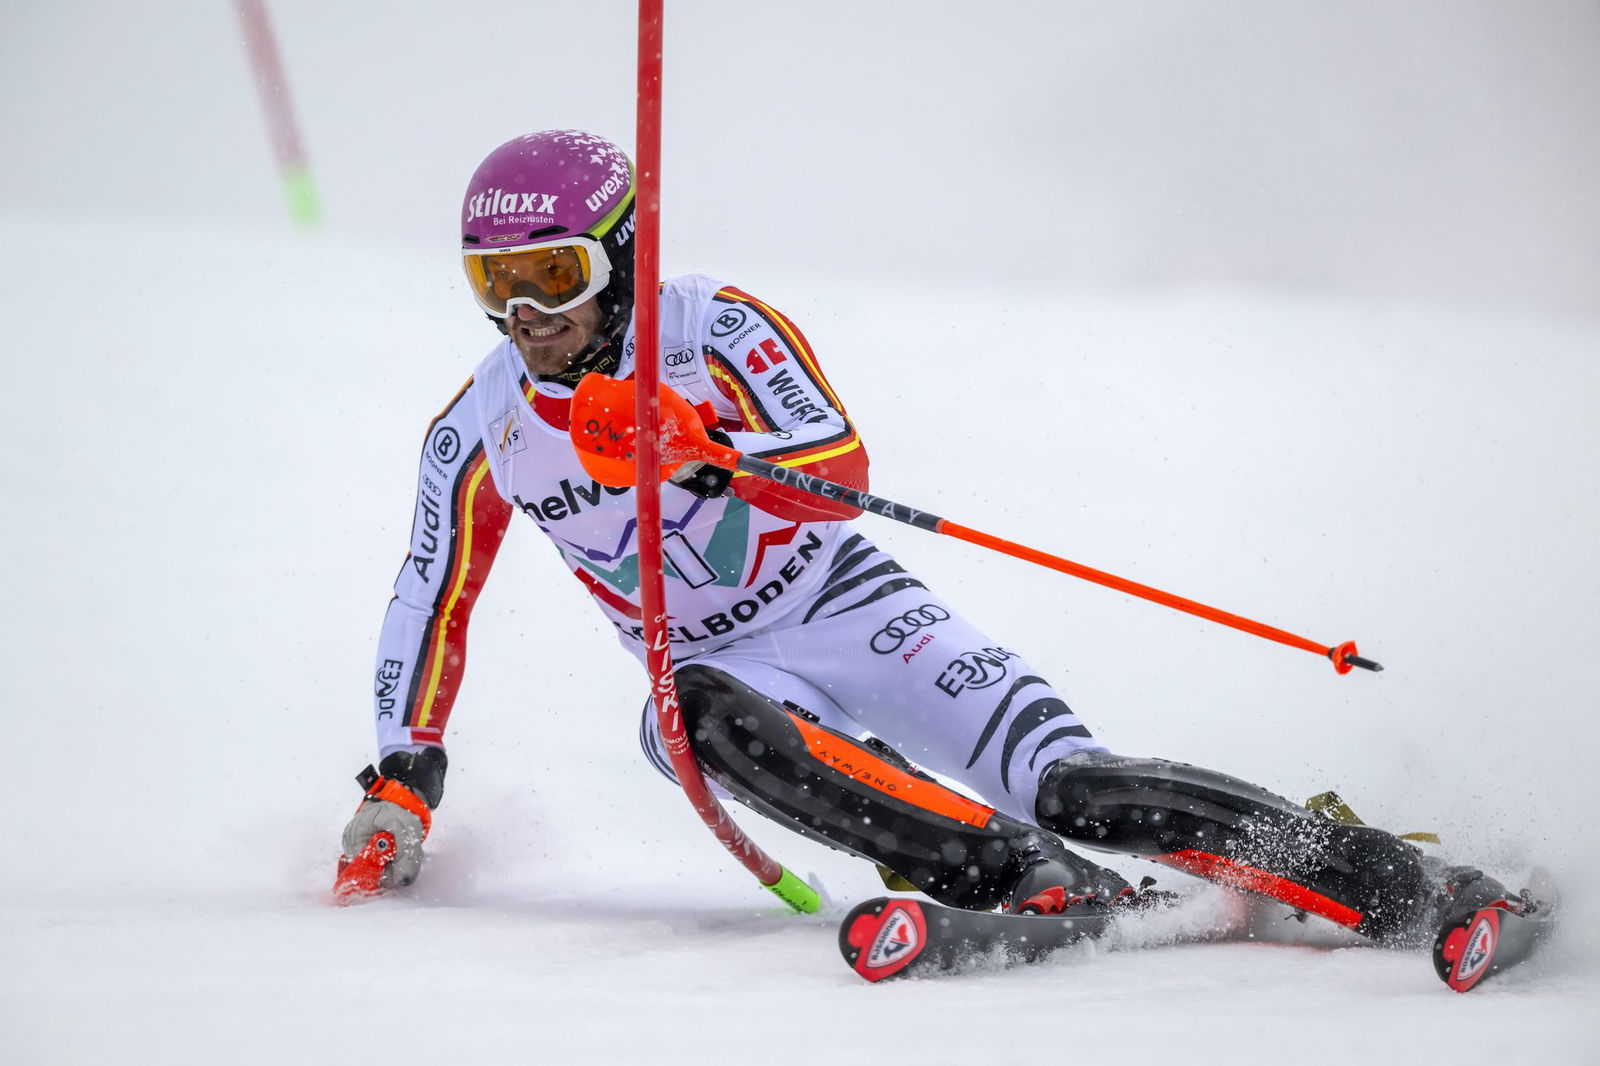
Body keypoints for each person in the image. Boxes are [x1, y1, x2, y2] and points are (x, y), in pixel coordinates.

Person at [336, 129, 1505, 941]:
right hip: (719, 668)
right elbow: (430, 593)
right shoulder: (482, 428)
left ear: (623, 253)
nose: (526, 315)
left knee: (1077, 782)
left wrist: (702, 448)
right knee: (679, 716)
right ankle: (1029, 883)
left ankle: (1408, 884)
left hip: (849, 606)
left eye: (552, 272)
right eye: (495, 283)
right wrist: (402, 778)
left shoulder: (715, 330)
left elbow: (837, 472)